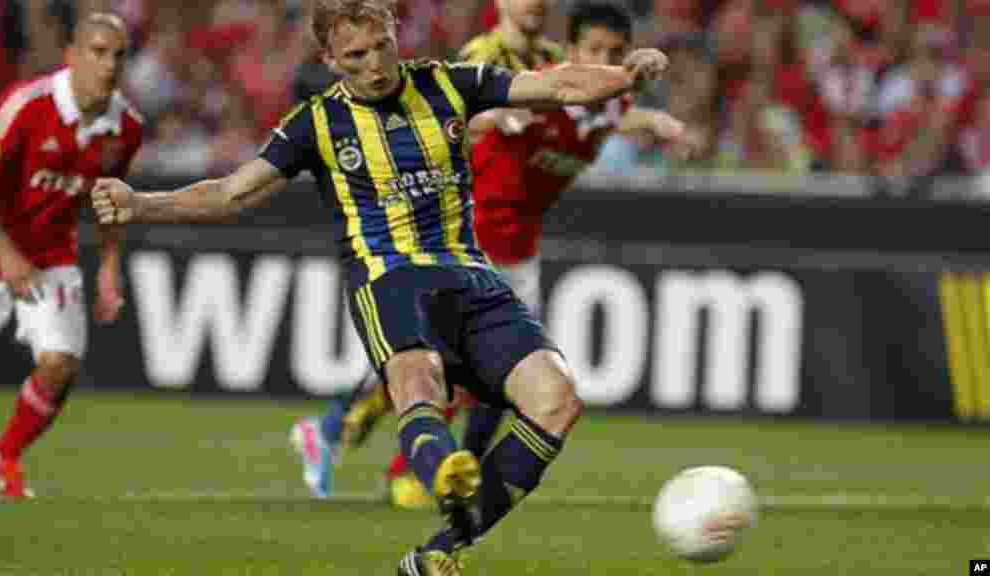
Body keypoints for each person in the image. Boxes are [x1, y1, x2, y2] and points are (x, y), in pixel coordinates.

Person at [92, 0, 667, 572]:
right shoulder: (315, 123)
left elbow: (560, 85)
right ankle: (443, 469)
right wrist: (141, 202)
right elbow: (230, 192)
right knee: (419, 379)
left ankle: (439, 552)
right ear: (330, 58)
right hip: (389, 277)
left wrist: (624, 77)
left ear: (396, 35)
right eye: (356, 56)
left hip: (471, 273)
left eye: (382, 47)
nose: (375, 66)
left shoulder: (448, 82)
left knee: (557, 399)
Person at [292, 0, 691, 508]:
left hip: (519, 237)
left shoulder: (567, 68)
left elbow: (600, 110)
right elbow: (434, 115)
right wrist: (495, 117)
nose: (534, 5)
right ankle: (400, 463)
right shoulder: (485, 56)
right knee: (439, 361)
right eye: (596, 50)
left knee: (455, 364)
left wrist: (657, 122)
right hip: (468, 231)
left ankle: (346, 436)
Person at [0, 12, 142, 500]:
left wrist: (108, 268)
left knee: (61, 363)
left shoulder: (126, 127)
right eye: (98, 51)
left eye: (119, 55)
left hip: (50, 256)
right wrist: (5, 255)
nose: (109, 64)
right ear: (71, 55)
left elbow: (110, 200)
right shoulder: (25, 105)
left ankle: (4, 457)